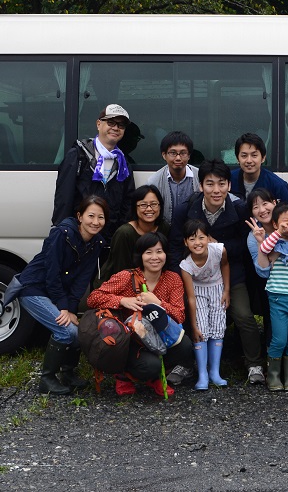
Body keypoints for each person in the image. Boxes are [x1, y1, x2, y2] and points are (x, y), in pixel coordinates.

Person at [168, 159, 265, 384]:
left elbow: (246, 243)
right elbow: (174, 245)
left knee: (244, 316)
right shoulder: (186, 209)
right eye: (209, 184)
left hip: (230, 273)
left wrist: (218, 246)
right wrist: (178, 278)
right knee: (185, 313)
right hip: (194, 275)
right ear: (201, 186)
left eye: (221, 184)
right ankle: (185, 363)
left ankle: (254, 364)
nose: (216, 190)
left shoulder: (240, 208)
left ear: (229, 186)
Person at [14, 196, 108, 395]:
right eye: (90, 216)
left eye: (101, 217)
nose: (95, 222)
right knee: (66, 332)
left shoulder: (97, 243)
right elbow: (51, 274)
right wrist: (63, 307)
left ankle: (68, 373)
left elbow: (81, 281)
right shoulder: (61, 233)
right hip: (34, 287)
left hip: (58, 294)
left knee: (77, 328)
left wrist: (72, 309)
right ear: (79, 216)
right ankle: (47, 379)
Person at [87, 232, 194, 396]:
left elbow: (179, 316)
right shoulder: (126, 276)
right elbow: (93, 298)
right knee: (150, 366)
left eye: (159, 251)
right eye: (148, 252)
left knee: (185, 346)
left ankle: (155, 377)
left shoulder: (172, 279)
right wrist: (122, 300)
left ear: (166, 254)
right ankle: (124, 375)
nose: (155, 257)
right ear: (140, 255)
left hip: (161, 336)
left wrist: (157, 302)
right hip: (131, 341)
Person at [52, 104, 135, 241]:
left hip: (108, 240)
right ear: (98, 124)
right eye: (111, 122)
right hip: (78, 236)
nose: (115, 128)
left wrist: (120, 234)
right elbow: (63, 197)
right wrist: (62, 231)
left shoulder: (123, 163)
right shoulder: (78, 155)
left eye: (121, 125)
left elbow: (128, 202)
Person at [253, 202, 288, 391]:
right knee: (279, 339)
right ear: (275, 224)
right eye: (285, 221)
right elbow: (264, 249)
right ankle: (274, 376)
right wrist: (278, 233)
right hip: (277, 297)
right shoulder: (274, 240)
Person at [179, 219, 230, 391]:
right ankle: (202, 374)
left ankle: (215, 372)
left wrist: (226, 290)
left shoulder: (219, 250)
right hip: (198, 292)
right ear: (185, 242)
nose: (197, 243)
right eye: (192, 239)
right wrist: (193, 326)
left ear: (208, 238)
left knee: (218, 327)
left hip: (217, 287)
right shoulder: (186, 265)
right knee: (201, 330)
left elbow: (225, 266)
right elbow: (191, 298)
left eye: (201, 237)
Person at [94, 185, 171, 288]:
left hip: (149, 283)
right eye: (143, 205)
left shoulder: (164, 227)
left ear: (160, 206)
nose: (149, 209)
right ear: (135, 207)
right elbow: (121, 271)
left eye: (154, 204)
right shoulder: (124, 233)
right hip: (116, 285)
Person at [244, 188, 278, 348]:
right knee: (272, 323)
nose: (262, 210)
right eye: (256, 207)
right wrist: (261, 242)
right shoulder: (253, 236)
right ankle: (273, 366)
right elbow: (262, 272)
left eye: (265, 204)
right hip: (271, 287)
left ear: (274, 203)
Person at [147, 130, 200, 225]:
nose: (178, 158)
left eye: (183, 153)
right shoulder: (154, 181)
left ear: (189, 155)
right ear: (164, 155)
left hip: (195, 232)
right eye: (173, 153)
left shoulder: (200, 176)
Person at [230, 132, 288, 203]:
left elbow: (286, 213)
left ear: (263, 158)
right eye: (244, 156)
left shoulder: (278, 186)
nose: (249, 160)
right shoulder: (228, 180)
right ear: (237, 158)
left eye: (254, 155)